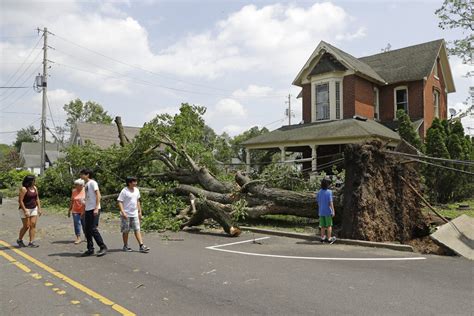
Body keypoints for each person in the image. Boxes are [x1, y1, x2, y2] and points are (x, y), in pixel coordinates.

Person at [79, 169, 107, 257]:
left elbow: (98, 195)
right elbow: (88, 198)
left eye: (82, 174)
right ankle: (90, 249)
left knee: (93, 228)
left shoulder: (92, 183)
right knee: (87, 230)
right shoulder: (86, 184)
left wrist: (96, 208)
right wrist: (83, 210)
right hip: (88, 209)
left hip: (94, 209)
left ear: (87, 175)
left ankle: (102, 246)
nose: (81, 176)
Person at [117, 176, 150, 253]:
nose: (136, 183)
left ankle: (141, 246)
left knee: (137, 229)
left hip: (134, 213)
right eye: (134, 182)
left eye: (136, 181)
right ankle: (125, 246)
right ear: (129, 183)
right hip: (126, 214)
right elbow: (120, 201)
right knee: (126, 230)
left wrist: (139, 211)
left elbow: (138, 201)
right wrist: (123, 212)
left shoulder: (137, 190)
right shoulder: (124, 191)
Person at [17, 175, 42, 247]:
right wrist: (25, 210)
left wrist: (39, 208)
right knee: (26, 226)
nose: (35, 182)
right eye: (34, 180)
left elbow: (37, 198)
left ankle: (31, 242)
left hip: (33, 208)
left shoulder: (35, 188)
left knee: (33, 224)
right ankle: (19, 240)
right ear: (30, 181)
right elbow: (20, 201)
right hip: (25, 208)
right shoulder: (24, 189)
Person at [316, 178, 336, 244]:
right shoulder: (329, 192)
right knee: (329, 225)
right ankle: (329, 238)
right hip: (328, 211)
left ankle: (322, 238)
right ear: (328, 184)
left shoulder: (319, 192)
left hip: (321, 211)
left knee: (322, 226)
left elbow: (318, 202)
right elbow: (330, 202)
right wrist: (333, 211)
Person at [68, 179, 85, 244]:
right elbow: (72, 201)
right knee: (77, 223)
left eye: (76, 185)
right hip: (75, 210)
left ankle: (86, 235)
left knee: (84, 224)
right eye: (75, 185)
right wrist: (69, 210)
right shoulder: (74, 191)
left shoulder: (86, 190)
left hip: (84, 210)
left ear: (81, 185)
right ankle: (78, 237)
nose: (75, 186)